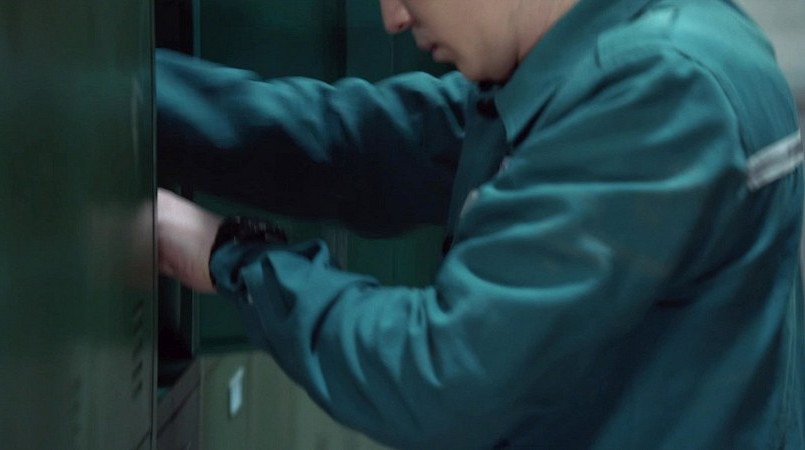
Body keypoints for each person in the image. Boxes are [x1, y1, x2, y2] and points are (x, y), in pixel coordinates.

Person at [156, 0, 805, 448]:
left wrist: (229, 255)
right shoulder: (629, 49)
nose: (392, 18)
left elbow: (438, 378)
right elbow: (362, 142)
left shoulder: (657, 89)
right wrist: (128, 95)